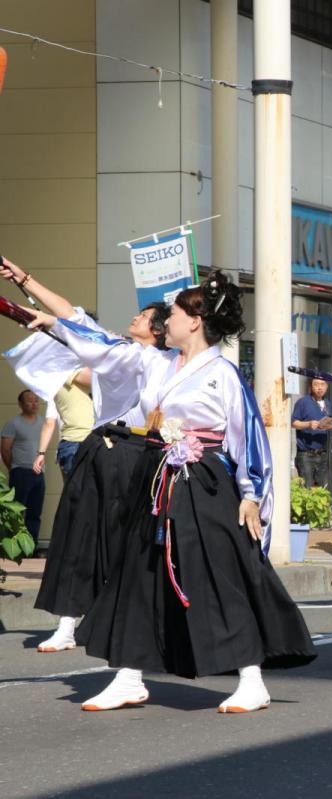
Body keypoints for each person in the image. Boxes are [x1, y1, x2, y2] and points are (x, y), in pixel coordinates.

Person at [26, 270, 316, 712]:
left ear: (195, 322)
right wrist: (49, 321)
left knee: (220, 575)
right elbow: (101, 343)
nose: (168, 322)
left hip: (205, 483)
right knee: (137, 573)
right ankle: (128, 676)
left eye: (176, 314)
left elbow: (248, 437)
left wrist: (252, 495)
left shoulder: (223, 373)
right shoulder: (155, 361)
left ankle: (252, 677)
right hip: (156, 475)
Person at [3, 253, 172, 654]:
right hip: (99, 447)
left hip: (142, 454)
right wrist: (24, 278)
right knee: (76, 535)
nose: (135, 318)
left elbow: (69, 323)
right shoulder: (120, 349)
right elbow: (70, 315)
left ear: (161, 330)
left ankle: (131, 619)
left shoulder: (165, 361)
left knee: (131, 541)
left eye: (144, 316)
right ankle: (67, 623)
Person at [2, 389, 47, 541]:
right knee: (17, 512)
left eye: (36, 400)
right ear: (20, 404)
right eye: (29, 400)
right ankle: (16, 545)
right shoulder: (13, 423)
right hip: (21, 473)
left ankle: (32, 547)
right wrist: (14, 468)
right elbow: (5, 450)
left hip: (39, 474)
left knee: (35, 513)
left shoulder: (44, 422)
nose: (34, 403)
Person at [39, 368, 95, 478]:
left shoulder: (57, 383)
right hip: (78, 441)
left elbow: (49, 423)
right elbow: (49, 424)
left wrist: (41, 454)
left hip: (76, 442)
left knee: (75, 490)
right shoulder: (68, 372)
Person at [292, 378, 332, 490]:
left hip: (323, 453)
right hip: (306, 454)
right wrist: (308, 424)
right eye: (316, 384)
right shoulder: (303, 402)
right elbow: (293, 423)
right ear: (311, 386)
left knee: (324, 489)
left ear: (327, 386)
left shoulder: (328, 403)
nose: (320, 387)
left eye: (322, 384)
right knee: (307, 488)